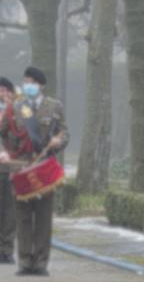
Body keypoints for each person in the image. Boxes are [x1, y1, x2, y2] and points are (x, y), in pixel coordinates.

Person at [0, 67, 69, 276]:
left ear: (41, 85)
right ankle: (24, 262)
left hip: (44, 169)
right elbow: (1, 134)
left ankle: (40, 263)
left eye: (32, 81)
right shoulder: (16, 107)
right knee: (21, 217)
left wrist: (59, 141)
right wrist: (3, 152)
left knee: (43, 216)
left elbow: (64, 131)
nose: (28, 85)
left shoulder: (54, 107)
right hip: (20, 169)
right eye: (26, 81)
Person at [0, 77, 16, 264]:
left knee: (10, 212)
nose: (2, 94)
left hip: (12, 167)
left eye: (4, 90)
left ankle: (7, 250)